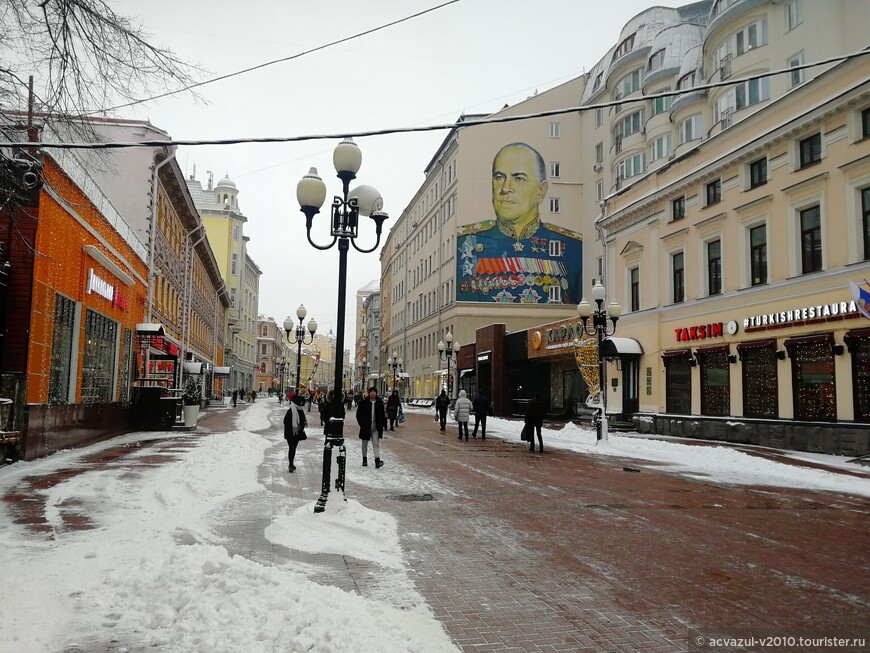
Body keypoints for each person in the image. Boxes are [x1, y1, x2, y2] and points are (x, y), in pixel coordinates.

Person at [455, 142, 583, 304]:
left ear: (540, 191)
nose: (506, 188)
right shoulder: (465, 242)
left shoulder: (572, 247)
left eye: (519, 178)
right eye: (499, 177)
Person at [356, 386, 386, 468]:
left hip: (376, 427)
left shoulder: (379, 403)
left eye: (374, 392)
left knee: (376, 443)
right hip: (366, 427)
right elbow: (359, 415)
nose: (373, 393)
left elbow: (382, 415)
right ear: (369, 393)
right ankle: (364, 459)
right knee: (364, 443)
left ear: (376, 393)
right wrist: (362, 424)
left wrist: (382, 424)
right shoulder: (364, 403)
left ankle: (377, 460)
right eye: (371, 391)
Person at [283, 393, 307, 473]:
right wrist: (294, 429)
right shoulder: (291, 411)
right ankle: (291, 464)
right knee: (292, 448)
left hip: (296, 434)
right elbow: (285, 421)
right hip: (291, 434)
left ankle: (291, 463)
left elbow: (303, 421)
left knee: (292, 448)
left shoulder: (299, 410)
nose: (302, 404)